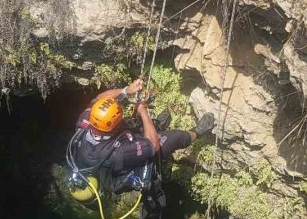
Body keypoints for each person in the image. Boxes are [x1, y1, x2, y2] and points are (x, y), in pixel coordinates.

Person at [72, 78, 215, 186]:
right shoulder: (120, 153)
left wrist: (126, 91)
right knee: (173, 138)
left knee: (133, 123)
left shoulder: (84, 123)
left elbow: (97, 99)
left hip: (107, 146)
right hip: (125, 164)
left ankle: (154, 126)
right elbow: (154, 145)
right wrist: (142, 110)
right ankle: (198, 132)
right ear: (113, 127)